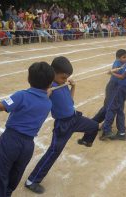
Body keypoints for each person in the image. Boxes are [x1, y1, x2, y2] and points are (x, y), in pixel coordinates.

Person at [0, 62, 55, 196]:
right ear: (50, 84)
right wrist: (46, 92)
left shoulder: (21, 95)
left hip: (10, 141)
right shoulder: (47, 103)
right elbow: (42, 97)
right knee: (13, 178)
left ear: (29, 79)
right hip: (27, 146)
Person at [25, 56, 99, 194]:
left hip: (75, 118)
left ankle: (86, 141)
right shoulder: (47, 86)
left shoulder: (62, 84)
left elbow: (70, 102)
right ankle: (32, 180)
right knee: (54, 152)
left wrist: (73, 87)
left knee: (94, 126)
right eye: (63, 77)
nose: (65, 80)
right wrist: (46, 94)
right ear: (53, 72)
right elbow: (37, 103)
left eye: (67, 78)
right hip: (63, 125)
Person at [93, 49, 126, 123]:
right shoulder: (117, 63)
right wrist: (114, 71)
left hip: (117, 86)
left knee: (111, 106)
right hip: (113, 86)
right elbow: (115, 70)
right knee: (108, 106)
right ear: (118, 58)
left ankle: (99, 122)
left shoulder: (124, 63)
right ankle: (95, 121)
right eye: (124, 57)